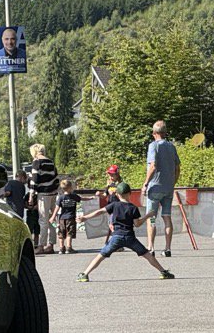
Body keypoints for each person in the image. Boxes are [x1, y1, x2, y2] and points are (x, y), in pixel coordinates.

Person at [76, 182, 174, 281]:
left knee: (101, 255)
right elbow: (137, 224)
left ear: (117, 194)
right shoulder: (133, 208)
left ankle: (85, 274)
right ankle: (163, 272)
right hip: (130, 238)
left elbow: (100, 211)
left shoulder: (114, 205)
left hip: (116, 237)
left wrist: (85, 217)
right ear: (130, 193)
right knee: (147, 255)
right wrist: (147, 216)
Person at [142, 120, 180, 258]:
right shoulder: (171, 146)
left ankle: (151, 247)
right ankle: (167, 248)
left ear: (154, 133)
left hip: (155, 187)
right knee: (166, 217)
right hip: (168, 188)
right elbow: (177, 168)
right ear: (165, 133)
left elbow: (153, 166)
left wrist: (145, 183)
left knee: (151, 218)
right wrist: (173, 182)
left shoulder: (153, 146)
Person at [28, 142, 60, 254]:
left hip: (43, 195)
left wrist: (31, 195)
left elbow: (34, 180)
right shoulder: (50, 162)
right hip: (53, 194)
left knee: (43, 220)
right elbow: (56, 178)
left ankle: (41, 246)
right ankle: (51, 245)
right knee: (52, 220)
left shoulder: (36, 162)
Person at [50, 179, 82, 254]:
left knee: (61, 233)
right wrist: (90, 198)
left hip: (61, 218)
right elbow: (81, 199)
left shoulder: (61, 197)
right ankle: (69, 247)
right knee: (69, 233)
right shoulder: (74, 196)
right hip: (71, 218)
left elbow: (57, 208)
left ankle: (61, 248)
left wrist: (53, 217)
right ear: (70, 187)